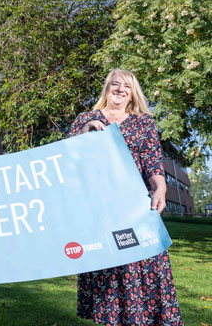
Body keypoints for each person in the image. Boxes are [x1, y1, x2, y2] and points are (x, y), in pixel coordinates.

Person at [68, 69, 182, 325]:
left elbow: (153, 166)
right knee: (109, 276)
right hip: (99, 213)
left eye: (126, 87)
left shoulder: (144, 123)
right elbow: (65, 157)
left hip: (135, 211)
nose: (120, 89)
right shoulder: (86, 119)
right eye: (115, 84)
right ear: (107, 88)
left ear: (133, 94)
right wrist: (83, 133)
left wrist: (161, 188)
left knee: (141, 271)